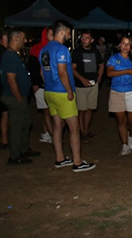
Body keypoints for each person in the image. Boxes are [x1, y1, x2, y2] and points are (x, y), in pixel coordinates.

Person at [40, 20, 96, 172]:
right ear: (62, 32)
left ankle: (60, 158)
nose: (70, 36)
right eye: (68, 33)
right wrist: (69, 91)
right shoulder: (62, 49)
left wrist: (49, 85)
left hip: (49, 91)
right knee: (74, 127)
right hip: (62, 92)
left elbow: (42, 72)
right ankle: (77, 162)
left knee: (57, 126)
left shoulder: (44, 49)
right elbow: (62, 72)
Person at [0, 28, 40, 165]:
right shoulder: (10, 56)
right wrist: (19, 98)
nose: (25, 41)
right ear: (15, 38)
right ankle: (15, 156)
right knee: (17, 127)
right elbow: (11, 80)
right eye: (23, 38)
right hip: (14, 97)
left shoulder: (13, 55)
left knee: (25, 123)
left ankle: (23, 149)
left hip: (19, 96)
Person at [106, 36, 132, 156]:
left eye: (128, 44)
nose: (125, 46)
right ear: (119, 45)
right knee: (121, 120)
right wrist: (127, 71)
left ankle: (131, 135)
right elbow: (109, 73)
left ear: (131, 46)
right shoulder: (114, 58)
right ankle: (125, 145)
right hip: (117, 92)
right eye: (123, 43)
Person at [71, 30, 104, 143]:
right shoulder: (77, 52)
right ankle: (82, 132)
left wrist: (100, 76)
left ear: (92, 40)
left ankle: (86, 130)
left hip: (93, 84)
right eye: (83, 38)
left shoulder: (95, 52)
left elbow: (101, 64)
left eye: (87, 38)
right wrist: (82, 79)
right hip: (80, 86)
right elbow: (72, 68)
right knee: (82, 110)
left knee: (90, 108)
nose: (84, 40)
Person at [27, 27, 54, 144]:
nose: (52, 35)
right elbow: (32, 67)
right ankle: (52, 135)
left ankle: (45, 133)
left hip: (51, 85)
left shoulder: (54, 47)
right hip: (41, 85)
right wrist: (35, 83)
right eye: (50, 33)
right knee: (46, 111)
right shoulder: (37, 48)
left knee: (49, 111)